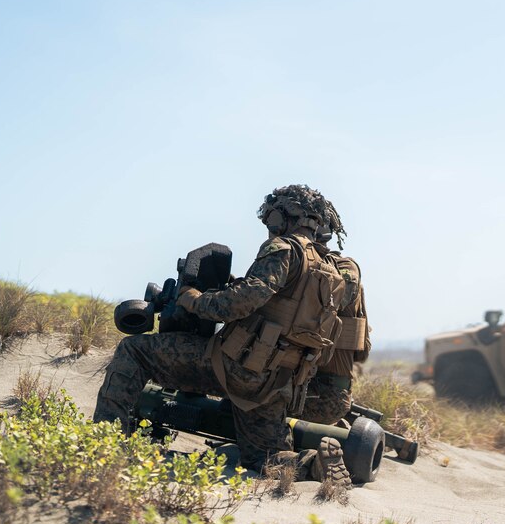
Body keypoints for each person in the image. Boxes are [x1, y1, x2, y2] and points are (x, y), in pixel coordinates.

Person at [93, 184, 354, 486]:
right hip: (275, 384)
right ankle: (310, 463)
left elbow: (239, 304)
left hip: (232, 367)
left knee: (133, 350)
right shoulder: (331, 271)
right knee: (265, 459)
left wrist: (193, 299)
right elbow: (284, 308)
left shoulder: (283, 248)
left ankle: (106, 442)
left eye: (270, 218)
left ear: (281, 217)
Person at [300, 253, 371, 425]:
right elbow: (363, 354)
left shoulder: (301, 269)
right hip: (339, 396)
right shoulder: (351, 274)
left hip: (312, 395)